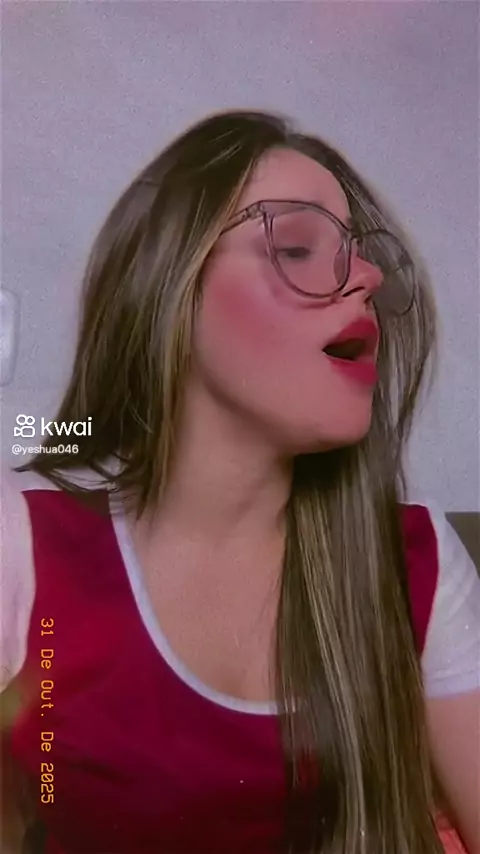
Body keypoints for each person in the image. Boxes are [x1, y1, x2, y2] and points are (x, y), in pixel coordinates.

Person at [1, 110, 479, 854]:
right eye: (297, 247)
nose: (370, 278)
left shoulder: (415, 561)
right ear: (168, 288)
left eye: (364, 256)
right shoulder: (23, 543)